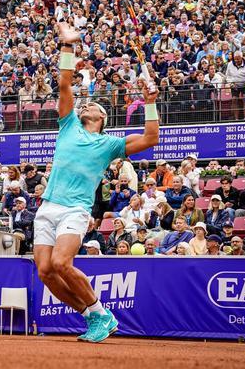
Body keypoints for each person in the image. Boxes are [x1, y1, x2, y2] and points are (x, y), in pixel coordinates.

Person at [34, 23, 159, 344]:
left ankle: (100, 312)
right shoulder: (68, 125)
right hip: (47, 207)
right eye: (84, 104)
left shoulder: (109, 144)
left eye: (93, 105)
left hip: (75, 208)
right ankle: (94, 316)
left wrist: (149, 101)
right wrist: (67, 46)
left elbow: (150, 137)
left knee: (62, 263)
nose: (86, 104)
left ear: (103, 117)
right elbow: (64, 85)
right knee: (45, 272)